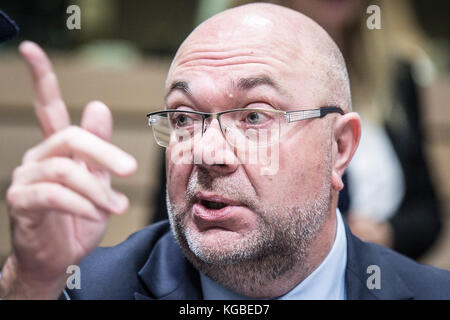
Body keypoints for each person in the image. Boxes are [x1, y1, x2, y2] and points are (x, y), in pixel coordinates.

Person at [0, 3, 449, 300]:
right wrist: (31, 279)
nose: (208, 153)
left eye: (254, 117)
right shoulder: (80, 291)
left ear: (340, 147)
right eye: (183, 118)